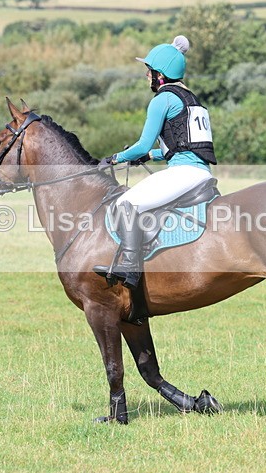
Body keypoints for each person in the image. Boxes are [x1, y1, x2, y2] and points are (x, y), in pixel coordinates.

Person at [93, 35, 217, 290]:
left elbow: (141, 143)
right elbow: (183, 146)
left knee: (126, 202)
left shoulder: (163, 99)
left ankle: (129, 266)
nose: (146, 76)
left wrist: (114, 159)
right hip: (201, 173)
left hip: (183, 173)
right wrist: (151, 157)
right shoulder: (193, 100)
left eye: (148, 71)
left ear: (160, 75)